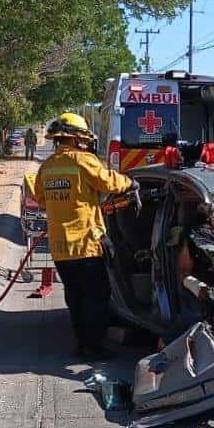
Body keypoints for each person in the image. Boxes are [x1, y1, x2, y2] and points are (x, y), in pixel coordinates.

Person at [35, 112, 134, 358]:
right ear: (76, 139)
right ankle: (95, 348)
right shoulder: (83, 161)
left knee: (75, 297)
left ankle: (82, 344)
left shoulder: (47, 167)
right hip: (85, 245)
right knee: (96, 298)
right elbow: (109, 182)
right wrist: (131, 183)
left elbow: (41, 199)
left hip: (59, 248)